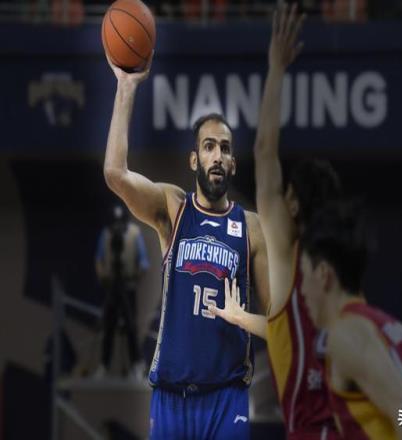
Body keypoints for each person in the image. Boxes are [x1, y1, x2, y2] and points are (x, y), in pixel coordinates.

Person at [103, 35, 270, 440]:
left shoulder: (251, 227)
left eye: (225, 148)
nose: (218, 155)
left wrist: (242, 318)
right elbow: (115, 174)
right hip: (171, 397)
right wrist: (126, 87)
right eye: (209, 147)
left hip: (227, 396)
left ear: (233, 163)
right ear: (194, 159)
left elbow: (281, 326)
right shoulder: (173, 209)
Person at [210, 5, 340, 438]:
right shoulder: (341, 269)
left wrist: (276, 69)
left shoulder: (287, 252)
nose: (278, 202)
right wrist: (241, 317)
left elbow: (265, 151)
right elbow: (287, 332)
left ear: (295, 206)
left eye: (286, 197)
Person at [299, 202, 402, 439]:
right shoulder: (385, 325)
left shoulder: (346, 333)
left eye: (303, 276)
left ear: (323, 274)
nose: (302, 290)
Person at [95, 205, 150, 379]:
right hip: (112, 285)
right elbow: (99, 258)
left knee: (131, 326)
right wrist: (103, 276)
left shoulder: (134, 233)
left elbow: (144, 262)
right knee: (109, 326)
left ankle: (136, 364)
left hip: (128, 286)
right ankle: (104, 365)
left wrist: (136, 275)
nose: (117, 227)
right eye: (114, 224)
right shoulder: (106, 234)